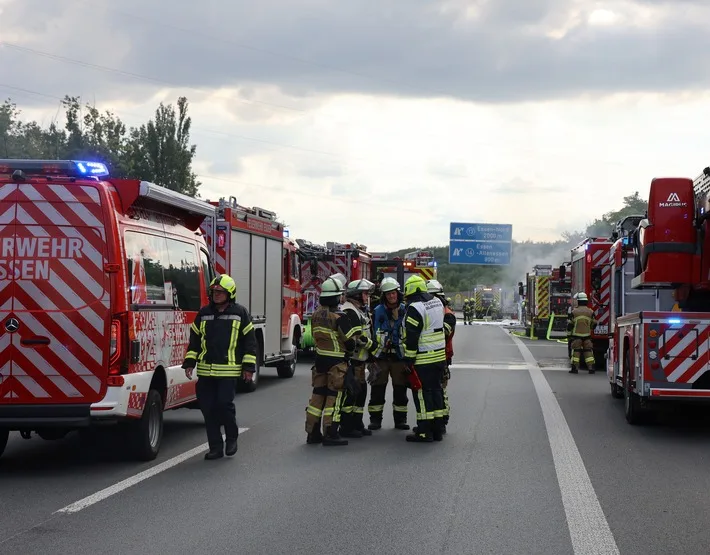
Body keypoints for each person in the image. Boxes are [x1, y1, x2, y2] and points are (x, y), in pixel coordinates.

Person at [182, 274, 257, 460]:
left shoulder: (240, 313)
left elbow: (250, 342)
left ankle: (231, 437)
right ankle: (215, 447)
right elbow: (195, 340)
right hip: (206, 371)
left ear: (229, 293)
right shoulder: (204, 313)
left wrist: (248, 367)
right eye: (214, 292)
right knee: (208, 409)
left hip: (228, 371)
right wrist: (190, 362)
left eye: (220, 292)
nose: (216, 295)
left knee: (224, 405)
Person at [304, 276, 363, 446]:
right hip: (337, 363)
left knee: (317, 397)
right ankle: (330, 432)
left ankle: (312, 432)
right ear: (336, 297)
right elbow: (350, 342)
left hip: (320, 361)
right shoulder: (340, 316)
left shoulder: (315, 315)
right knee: (334, 398)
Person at [401, 274, 447, 443]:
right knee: (436, 392)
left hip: (423, 359)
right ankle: (437, 429)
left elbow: (412, 336)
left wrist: (408, 360)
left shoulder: (415, 307)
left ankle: (424, 431)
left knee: (421, 394)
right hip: (439, 357)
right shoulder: (437, 302)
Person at [368, 277, 410, 431]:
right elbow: (373, 333)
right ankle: (375, 420)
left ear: (397, 293)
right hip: (381, 357)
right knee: (377, 389)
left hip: (399, 357)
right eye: (388, 294)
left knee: (400, 390)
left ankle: (400, 420)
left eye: (393, 293)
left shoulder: (405, 310)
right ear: (384, 296)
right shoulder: (378, 311)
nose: (391, 296)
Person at [339, 278, 377, 438]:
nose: (367, 295)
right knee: (352, 394)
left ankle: (357, 423)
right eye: (364, 293)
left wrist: (371, 359)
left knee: (360, 393)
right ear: (356, 295)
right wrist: (371, 346)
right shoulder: (350, 311)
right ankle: (347, 427)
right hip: (352, 361)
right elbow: (358, 337)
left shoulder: (360, 310)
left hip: (360, 361)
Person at [426, 279, 456, 431]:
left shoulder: (447, 315)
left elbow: (443, 334)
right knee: (432, 390)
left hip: (442, 357)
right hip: (431, 356)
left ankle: (442, 420)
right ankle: (434, 422)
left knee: (440, 389)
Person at [567, 292, 597, 374]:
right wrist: (589, 328)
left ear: (578, 301)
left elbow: (570, 325)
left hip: (576, 336)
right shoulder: (591, 312)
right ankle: (591, 369)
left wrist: (569, 335)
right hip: (587, 335)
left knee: (576, 352)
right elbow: (594, 323)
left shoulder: (574, 312)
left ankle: (575, 368)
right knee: (588, 352)